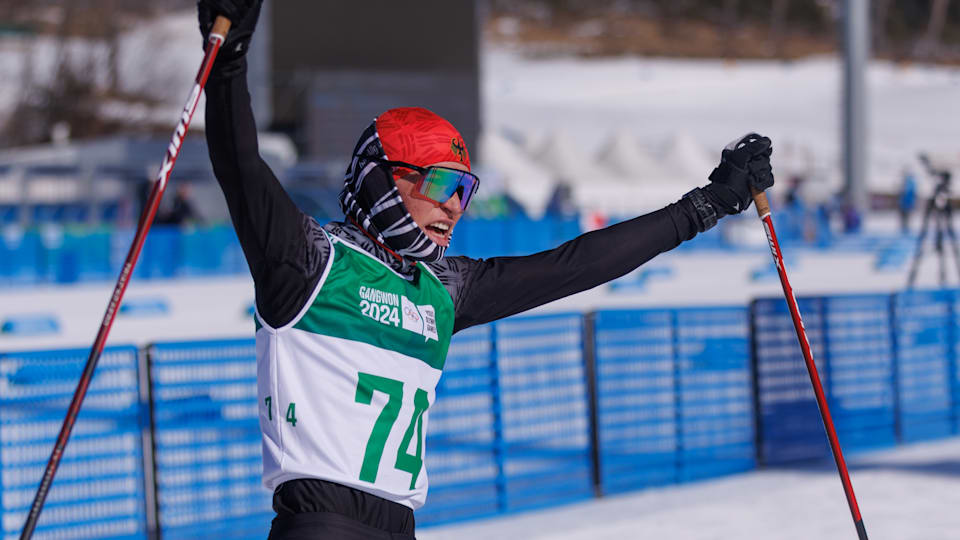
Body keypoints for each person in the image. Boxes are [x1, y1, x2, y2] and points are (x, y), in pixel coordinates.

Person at [197, 2, 774, 538]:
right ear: (384, 179)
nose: (454, 207)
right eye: (443, 185)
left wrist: (705, 206)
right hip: (319, 522)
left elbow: (575, 265)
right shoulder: (308, 262)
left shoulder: (444, 289)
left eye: (465, 191)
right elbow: (240, 164)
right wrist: (230, 58)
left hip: (399, 526)